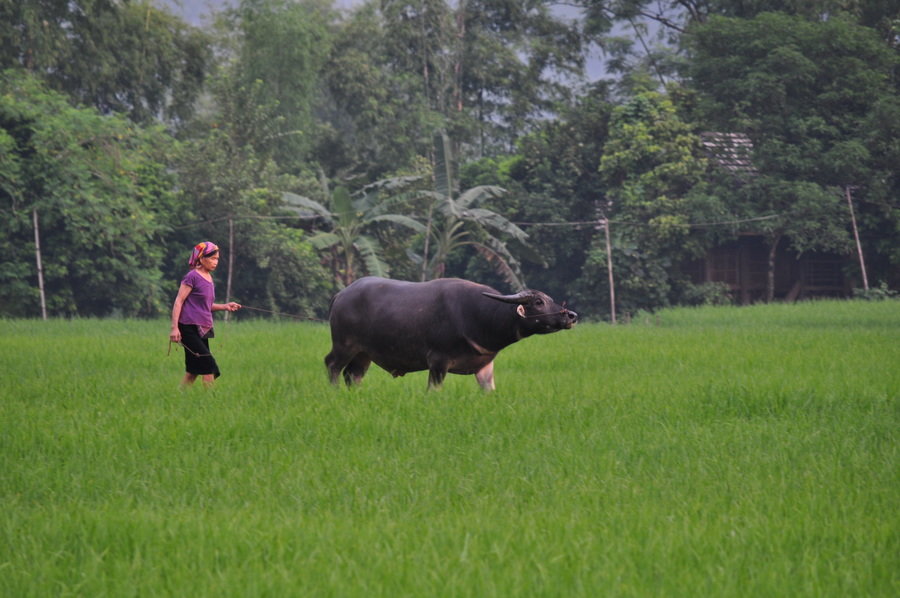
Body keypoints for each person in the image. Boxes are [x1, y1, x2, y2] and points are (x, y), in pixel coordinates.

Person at [170, 241, 241, 387]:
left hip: (202, 328)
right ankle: (210, 400)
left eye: (217, 259)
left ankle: (178, 397)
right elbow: (179, 301)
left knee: (194, 369)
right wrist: (174, 328)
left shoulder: (209, 278)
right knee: (210, 366)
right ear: (201, 258)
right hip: (188, 327)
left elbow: (205, 306)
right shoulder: (192, 276)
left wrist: (225, 306)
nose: (215, 262)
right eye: (212, 259)